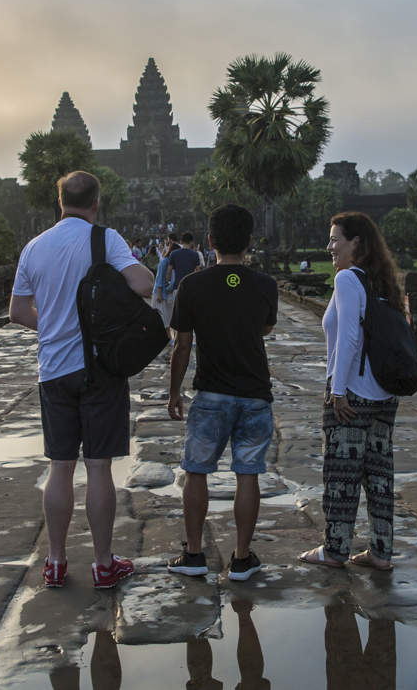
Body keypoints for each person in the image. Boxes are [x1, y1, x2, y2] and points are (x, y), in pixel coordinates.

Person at [8, 171, 154, 590]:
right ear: (95, 203)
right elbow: (144, 284)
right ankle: (104, 564)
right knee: (98, 467)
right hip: (99, 370)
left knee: (60, 466)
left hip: (53, 371)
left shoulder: (34, 247)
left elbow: (17, 311)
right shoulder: (104, 240)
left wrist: (55, 327)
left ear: (60, 202)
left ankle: (55, 562)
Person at [165, 204, 278, 582]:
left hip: (211, 394)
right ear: (249, 242)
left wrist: (174, 392)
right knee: (248, 474)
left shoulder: (192, 286)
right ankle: (242, 558)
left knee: (196, 472)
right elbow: (265, 328)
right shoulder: (265, 285)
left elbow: (182, 345)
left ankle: (194, 553)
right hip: (255, 393)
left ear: (210, 240)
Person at [300, 211, 408, 571]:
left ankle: (335, 550)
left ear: (355, 243)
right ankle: (381, 551)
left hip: (352, 393)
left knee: (341, 474)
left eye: (335, 239)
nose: (329, 246)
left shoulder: (347, 278)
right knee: (379, 476)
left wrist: (338, 391)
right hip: (384, 393)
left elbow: (347, 339)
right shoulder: (383, 282)